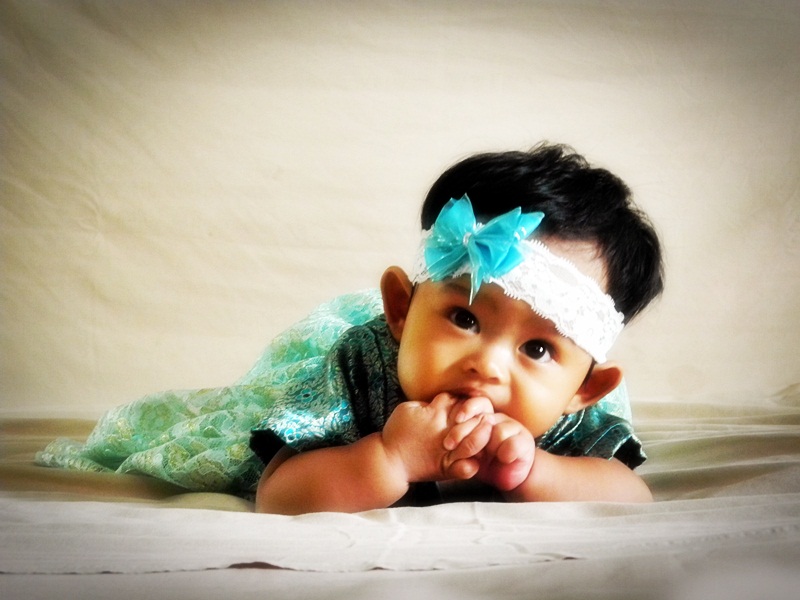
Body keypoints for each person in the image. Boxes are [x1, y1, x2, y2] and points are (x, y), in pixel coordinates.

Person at [37, 142, 663, 514]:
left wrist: (535, 472)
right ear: (401, 310)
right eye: (464, 317)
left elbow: (632, 496)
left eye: (538, 349)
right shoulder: (360, 365)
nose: (489, 365)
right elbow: (280, 495)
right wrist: (390, 456)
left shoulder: (569, 416)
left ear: (585, 389)